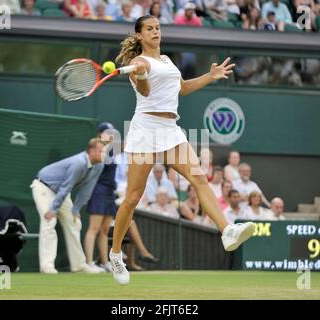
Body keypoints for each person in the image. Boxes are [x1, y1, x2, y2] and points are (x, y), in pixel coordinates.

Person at [109, 15, 255, 285]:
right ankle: (116, 254)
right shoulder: (137, 62)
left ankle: (227, 231)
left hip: (171, 129)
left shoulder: (166, 61)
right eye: (149, 29)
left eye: (157, 28)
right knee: (131, 199)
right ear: (139, 35)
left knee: (199, 177)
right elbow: (145, 88)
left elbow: (182, 88)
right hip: (145, 129)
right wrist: (140, 74)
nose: (155, 32)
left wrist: (210, 76)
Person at [30, 138, 107, 274]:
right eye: (101, 152)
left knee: (74, 223)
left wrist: (76, 209)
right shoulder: (79, 162)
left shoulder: (99, 166)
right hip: (44, 187)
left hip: (61, 192)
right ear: (91, 151)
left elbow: (86, 190)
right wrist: (53, 209)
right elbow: (67, 186)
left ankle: (79, 265)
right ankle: (46, 266)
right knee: (49, 222)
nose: (104, 155)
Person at [84, 122, 118, 273]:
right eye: (107, 132)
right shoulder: (98, 151)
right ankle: (89, 262)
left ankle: (105, 262)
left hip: (110, 191)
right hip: (99, 190)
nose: (110, 135)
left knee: (104, 230)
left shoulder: (113, 150)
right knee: (94, 228)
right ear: (100, 135)